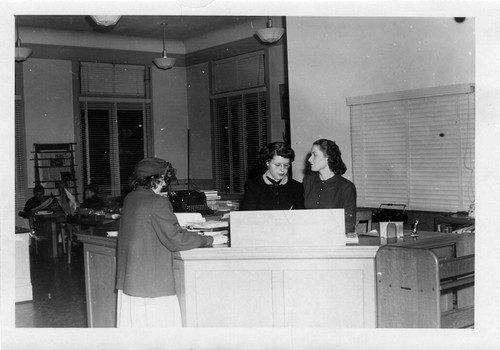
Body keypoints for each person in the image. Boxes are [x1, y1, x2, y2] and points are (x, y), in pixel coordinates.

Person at [115, 157, 227, 328]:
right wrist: (209, 239)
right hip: (152, 285)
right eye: (164, 179)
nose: (165, 185)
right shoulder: (158, 202)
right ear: (156, 179)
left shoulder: (130, 198)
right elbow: (176, 240)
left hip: (133, 281)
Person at [303, 139, 357, 233]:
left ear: (327, 157)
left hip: (333, 239)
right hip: (309, 237)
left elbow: (349, 225)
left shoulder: (346, 187)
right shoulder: (308, 181)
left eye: (314, 155)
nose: (309, 159)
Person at [241, 141, 304, 211]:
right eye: (277, 165)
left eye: (286, 165)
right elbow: (247, 217)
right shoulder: (253, 186)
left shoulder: (297, 187)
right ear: (267, 162)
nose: (282, 169)